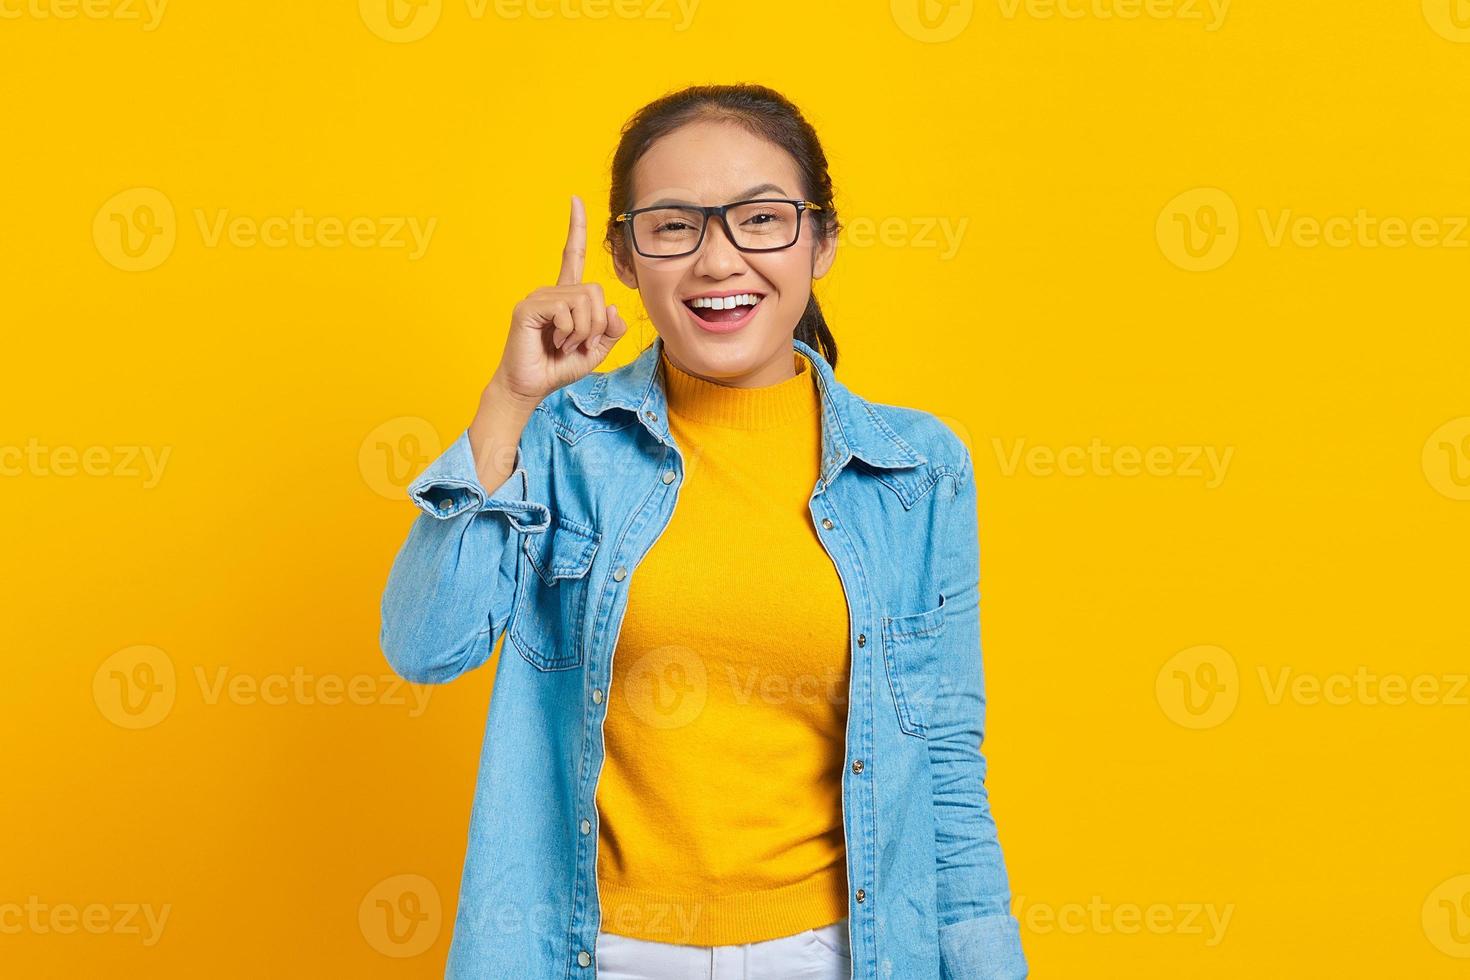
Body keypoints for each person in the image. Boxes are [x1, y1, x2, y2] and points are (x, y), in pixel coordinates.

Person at [380, 82, 1028, 980]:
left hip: (837, 954)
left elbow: (948, 767)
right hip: (596, 952)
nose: (719, 261)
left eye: (761, 219)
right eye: (674, 225)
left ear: (823, 241)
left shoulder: (917, 470)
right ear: (623, 254)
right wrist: (509, 401)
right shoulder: (568, 440)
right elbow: (425, 644)